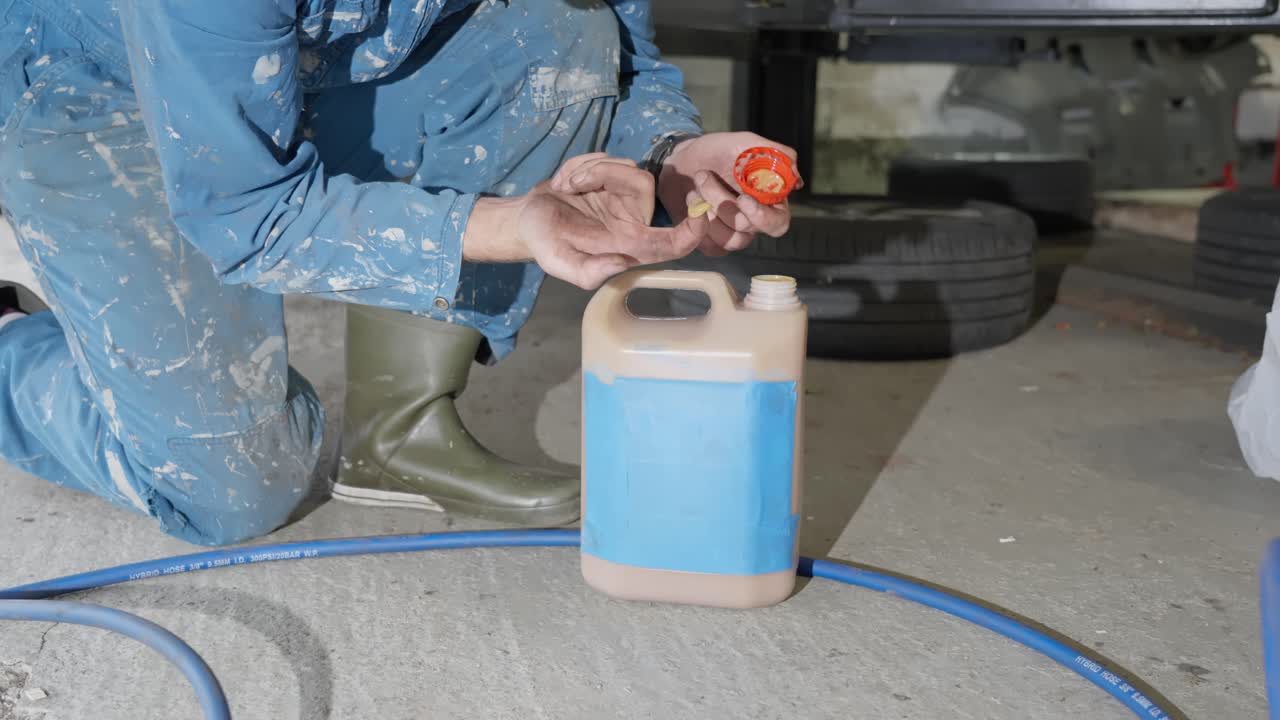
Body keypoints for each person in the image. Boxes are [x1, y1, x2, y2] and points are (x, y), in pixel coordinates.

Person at [0, 0, 794, 545]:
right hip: (89, 92)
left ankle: (398, 435)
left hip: (298, 57)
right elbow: (245, 215)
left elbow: (619, 43)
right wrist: (509, 224)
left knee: (560, 31)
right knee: (234, 490)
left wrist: (667, 154)